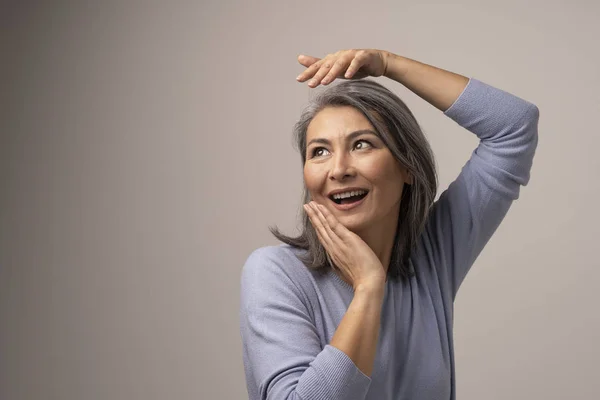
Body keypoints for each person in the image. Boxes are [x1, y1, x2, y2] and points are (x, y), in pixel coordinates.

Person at [239, 48, 539, 400]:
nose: (338, 169)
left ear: (407, 166)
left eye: (362, 144)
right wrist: (368, 289)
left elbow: (514, 126)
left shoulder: (431, 258)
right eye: (319, 151)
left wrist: (387, 64)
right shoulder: (275, 273)